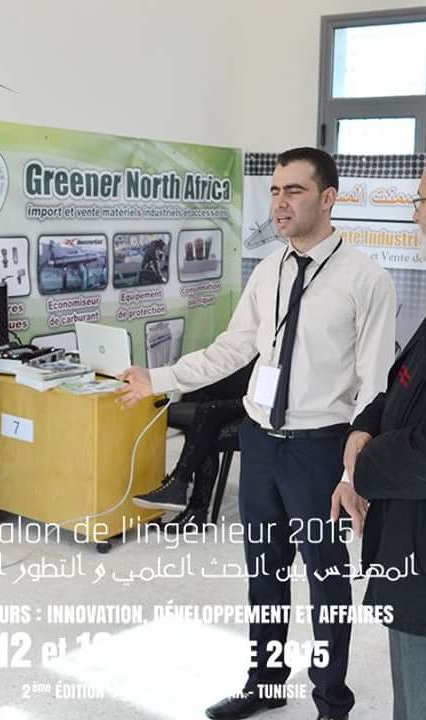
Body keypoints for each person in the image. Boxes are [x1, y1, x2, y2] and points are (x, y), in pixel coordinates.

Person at [118, 147, 396, 720]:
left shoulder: (366, 279)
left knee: (326, 581)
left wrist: (353, 472)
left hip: (321, 449)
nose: (279, 203)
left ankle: (331, 698)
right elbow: (233, 349)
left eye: (294, 191)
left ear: (328, 198)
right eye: (274, 191)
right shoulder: (269, 270)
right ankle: (264, 683)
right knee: (264, 576)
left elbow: (374, 384)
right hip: (261, 443)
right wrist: (160, 379)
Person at [344, 168, 426, 720]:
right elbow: (402, 383)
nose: (415, 213)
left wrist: (363, 467)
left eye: (422, 200)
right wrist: (363, 429)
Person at [133, 358, 256, 531]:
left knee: (205, 425)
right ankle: (187, 498)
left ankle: (186, 495)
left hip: (265, 409)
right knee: (204, 416)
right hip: (246, 395)